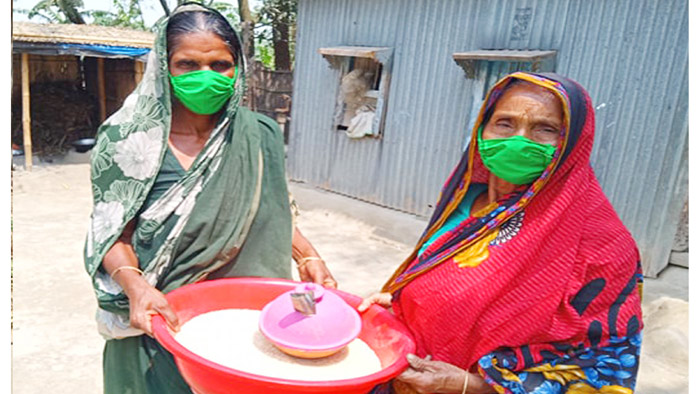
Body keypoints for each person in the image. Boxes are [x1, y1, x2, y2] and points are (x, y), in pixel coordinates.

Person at [83, 3, 334, 393]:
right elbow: (113, 234)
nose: (206, 77)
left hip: (246, 324)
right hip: (160, 322)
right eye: (187, 65)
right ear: (164, 67)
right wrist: (138, 290)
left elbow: (270, 210)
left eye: (220, 65)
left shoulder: (259, 134)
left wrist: (308, 256)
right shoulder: (127, 140)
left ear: (238, 68)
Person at [360, 72, 643, 394]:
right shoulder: (464, 199)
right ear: (482, 129)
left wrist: (469, 385)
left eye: (545, 129)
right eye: (504, 123)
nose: (519, 140)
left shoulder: (600, 244)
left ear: (573, 141)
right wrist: (406, 303)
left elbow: (605, 369)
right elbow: (453, 282)